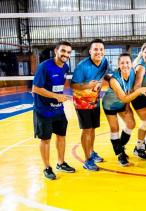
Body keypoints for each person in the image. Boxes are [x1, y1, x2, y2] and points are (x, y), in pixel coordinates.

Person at [32, 41, 75, 180]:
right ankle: (47, 167)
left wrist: (62, 97)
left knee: (61, 136)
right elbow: (36, 89)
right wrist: (56, 96)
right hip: (44, 111)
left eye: (68, 52)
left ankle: (61, 163)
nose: (66, 54)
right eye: (63, 51)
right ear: (56, 51)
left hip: (59, 110)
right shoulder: (44, 66)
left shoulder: (65, 67)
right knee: (45, 140)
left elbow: (57, 87)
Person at [102, 53, 146, 166]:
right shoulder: (114, 80)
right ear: (118, 65)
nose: (125, 65)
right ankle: (120, 155)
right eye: (122, 63)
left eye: (127, 62)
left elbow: (128, 92)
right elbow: (124, 98)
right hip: (110, 105)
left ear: (131, 63)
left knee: (131, 124)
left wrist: (128, 107)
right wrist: (139, 91)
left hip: (123, 104)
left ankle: (121, 146)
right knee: (115, 128)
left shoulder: (133, 72)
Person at [71, 39, 108, 171]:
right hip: (82, 102)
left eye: (101, 49)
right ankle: (87, 160)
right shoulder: (82, 66)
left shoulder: (104, 62)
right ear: (90, 51)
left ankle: (91, 152)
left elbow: (103, 76)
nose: (99, 52)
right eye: (96, 49)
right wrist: (88, 85)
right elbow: (73, 85)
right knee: (86, 130)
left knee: (92, 129)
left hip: (95, 101)